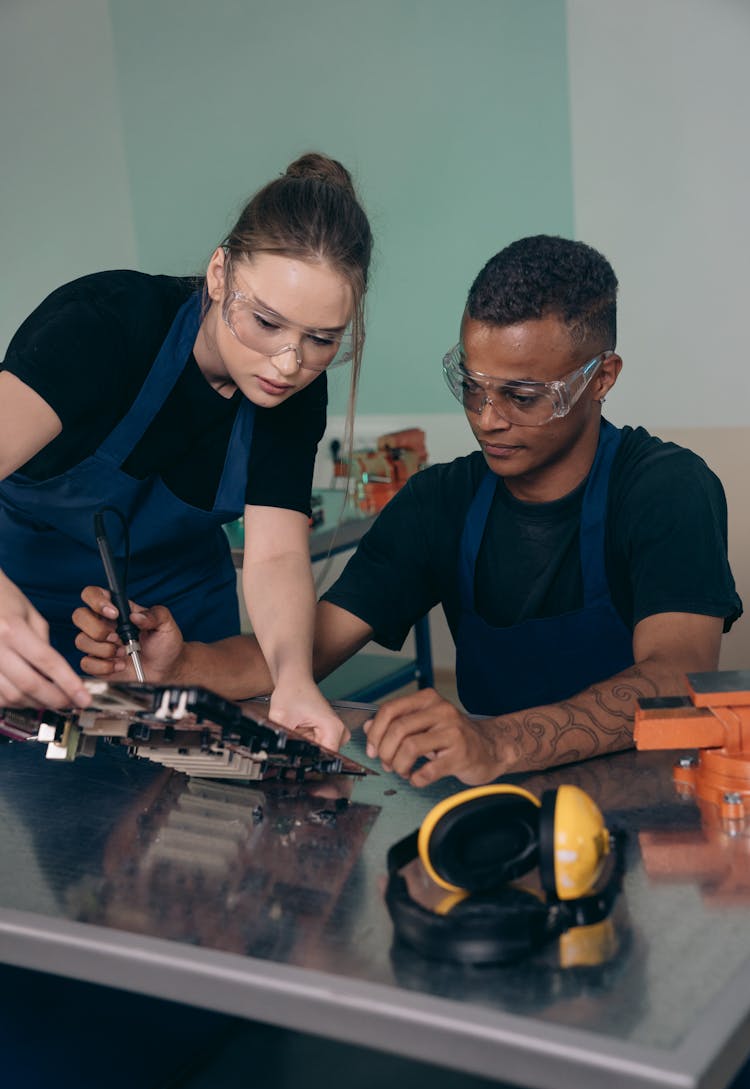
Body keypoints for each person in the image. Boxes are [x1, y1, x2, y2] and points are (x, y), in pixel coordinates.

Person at [73, 235, 742, 785]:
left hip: (655, 806)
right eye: (471, 387)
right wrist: (180, 663)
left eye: (522, 396)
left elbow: (675, 675)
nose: (487, 419)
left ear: (601, 378)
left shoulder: (665, 489)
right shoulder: (439, 502)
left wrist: (495, 741)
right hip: (495, 805)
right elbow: (296, 655)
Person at [0, 153, 372, 750]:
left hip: (178, 609)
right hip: (23, 592)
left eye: (322, 339)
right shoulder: (105, 325)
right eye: (266, 323)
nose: (289, 364)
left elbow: (275, 556)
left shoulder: (297, 384)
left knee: (186, 809)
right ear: (220, 273)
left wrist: (294, 680)